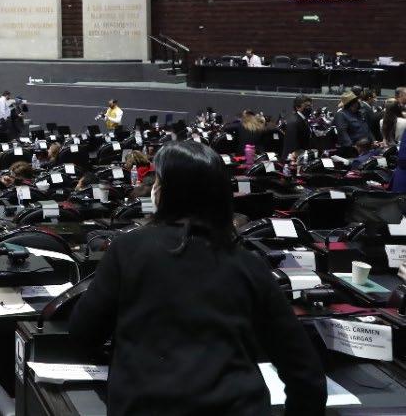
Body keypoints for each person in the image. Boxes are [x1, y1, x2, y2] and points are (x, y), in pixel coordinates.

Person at [68, 140, 325, 414]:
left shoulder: (127, 249)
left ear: (167, 192)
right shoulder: (249, 265)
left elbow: (83, 335)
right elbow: (305, 373)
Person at [283, 96, 313, 160]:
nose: (309, 108)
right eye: (307, 106)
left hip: (302, 156)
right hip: (293, 159)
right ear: (297, 107)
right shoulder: (294, 121)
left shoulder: (303, 119)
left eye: (310, 106)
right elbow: (291, 143)